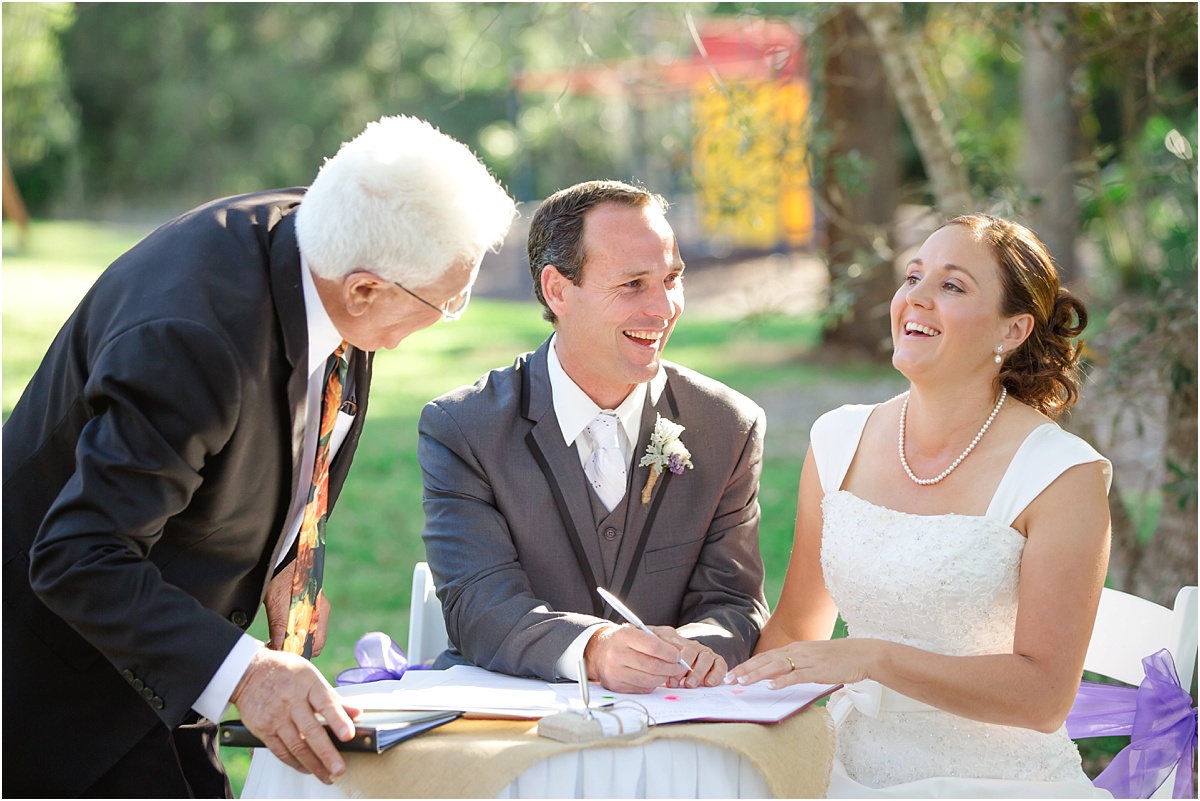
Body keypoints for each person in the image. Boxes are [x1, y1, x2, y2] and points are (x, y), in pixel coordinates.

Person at [2, 115, 516, 798]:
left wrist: (284, 557)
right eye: (447, 301)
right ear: (364, 289)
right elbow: (77, 555)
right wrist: (248, 673)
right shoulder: (191, 344)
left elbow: (303, 430)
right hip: (63, 683)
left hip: (177, 649)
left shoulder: (332, 236)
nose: (450, 311)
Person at [726, 214, 1112, 797]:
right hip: (844, 766)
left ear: (1012, 330)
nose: (916, 298)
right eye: (913, 277)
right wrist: (719, 698)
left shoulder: (1061, 475)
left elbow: (1044, 698)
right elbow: (796, 627)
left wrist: (872, 659)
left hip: (994, 781)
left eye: (951, 285)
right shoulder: (837, 440)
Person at [418, 180, 769, 694]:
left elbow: (734, 603)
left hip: (673, 719)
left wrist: (699, 646)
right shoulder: (464, 428)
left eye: (671, 279)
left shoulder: (727, 426)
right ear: (558, 290)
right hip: (511, 720)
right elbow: (478, 605)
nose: (664, 308)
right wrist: (593, 650)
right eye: (633, 284)